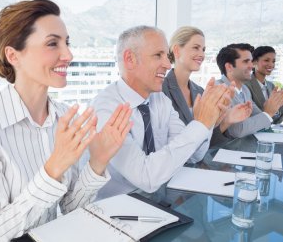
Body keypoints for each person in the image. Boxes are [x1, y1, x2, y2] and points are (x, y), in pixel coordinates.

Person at [0, 0, 132, 242]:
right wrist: (54, 167)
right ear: (13, 55)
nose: (68, 54)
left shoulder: (64, 118)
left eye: (66, 43)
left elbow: (70, 208)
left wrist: (97, 162)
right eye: (52, 43)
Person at [90, 25, 230, 199]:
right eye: (158, 55)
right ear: (130, 59)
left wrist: (208, 122)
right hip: (114, 211)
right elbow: (146, 177)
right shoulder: (106, 108)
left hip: (157, 201)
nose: (167, 64)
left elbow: (194, 155)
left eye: (166, 55)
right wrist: (200, 124)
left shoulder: (160, 100)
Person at [162, 26, 253, 147]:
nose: (201, 54)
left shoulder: (200, 91)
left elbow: (206, 142)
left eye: (203, 49)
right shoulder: (161, 90)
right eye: (196, 48)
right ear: (177, 50)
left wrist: (227, 120)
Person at [215, 43, 283, 138]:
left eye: (251, 61)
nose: (251, 66)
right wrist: (267, 113)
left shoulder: (245, 90)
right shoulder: (219, 89)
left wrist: (274, 105)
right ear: (229, 67)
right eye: (246, 61)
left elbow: (261, 119)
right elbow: (238, 130)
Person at [245, 46, 283, 124]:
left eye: (273, 61)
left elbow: (276, 121)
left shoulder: (271, 86)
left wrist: (282, 103)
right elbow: (252, 117)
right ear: (254, 62)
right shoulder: (245, 85)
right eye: (266, 60)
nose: (271, 64)